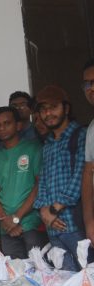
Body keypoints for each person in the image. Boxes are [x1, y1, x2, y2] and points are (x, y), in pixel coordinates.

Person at [33, 85, 86, 271]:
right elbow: (43, 182)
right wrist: (44, 212)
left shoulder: (81, 136)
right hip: (53, 228)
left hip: (78, 226)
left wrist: (53, 209)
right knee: (67, 281)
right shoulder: (47, 145)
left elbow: (81, 176)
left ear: (66, 108)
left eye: (53, 107)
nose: (48, 114)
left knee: (89, 278)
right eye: (43, 109)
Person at [0, 106, 46, 259]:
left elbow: (39, 186)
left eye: (7, 123)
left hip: (32, 224)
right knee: (14, 271)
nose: (2, 128)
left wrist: (16, 218)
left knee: (41, 269)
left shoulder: (34, 148)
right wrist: (5, 220)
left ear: (18, 125)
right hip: (6, 228)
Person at [80, 58, 94, 245]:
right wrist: (89, 222)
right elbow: (89, 173)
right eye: (87, 84)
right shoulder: (91, 128)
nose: (91, 88)